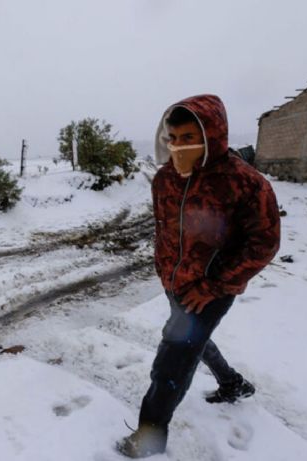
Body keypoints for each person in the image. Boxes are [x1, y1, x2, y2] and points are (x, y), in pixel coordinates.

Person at [118, 95, 281, 457]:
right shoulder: (164, 180)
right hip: (174, 284)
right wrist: (165, 270)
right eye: (172, 137)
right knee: (195, 339)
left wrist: (212, 285)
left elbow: (264, 243)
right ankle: (233, 384)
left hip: (212, 290)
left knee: (170, 362)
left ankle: (148, 438)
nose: (178, 145)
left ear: (213, 135)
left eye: (189, 135)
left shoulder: (245, 183)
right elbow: (165, 230)